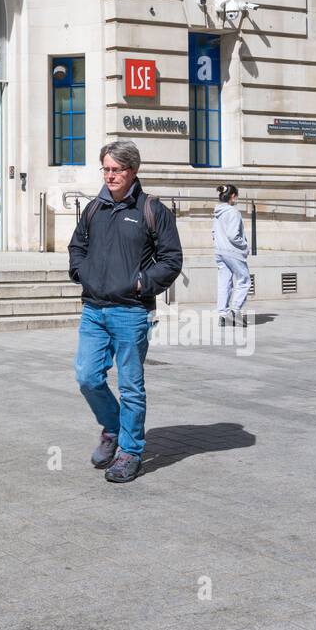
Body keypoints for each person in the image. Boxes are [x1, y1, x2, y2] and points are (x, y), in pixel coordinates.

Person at [68, 140, 183, 483]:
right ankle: (113, 429)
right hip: (94, 310)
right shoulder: (93, 209)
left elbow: (171, 259)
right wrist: (82, 273)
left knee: (131, 385)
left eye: (116, 169)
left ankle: (131, 452)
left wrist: (140, 284)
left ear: (132, 171)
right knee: (87, 377)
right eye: (105, 169)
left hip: (130, 312)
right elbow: (77, 247)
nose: (110, 175)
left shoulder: (152, 210)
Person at [212, 183, 250, 327]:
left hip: (220, 251)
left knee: (224, 282)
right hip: (232, 251)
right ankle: (236, 310)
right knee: (244, 280)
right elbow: (233, 235)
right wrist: (245, 245)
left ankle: (223, 315)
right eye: (236, 196)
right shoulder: (233, 212)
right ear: (232, 196)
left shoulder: (217, 212)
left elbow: (214, 233)